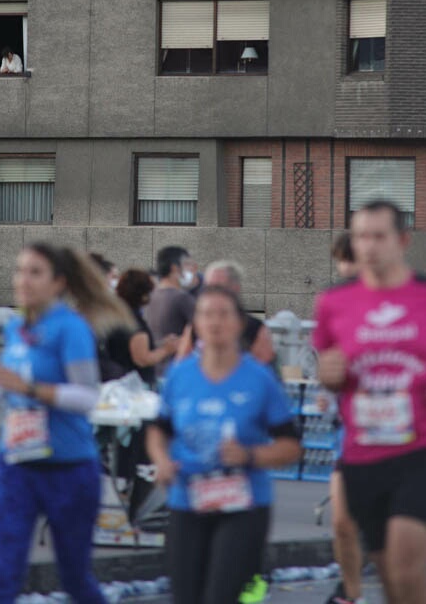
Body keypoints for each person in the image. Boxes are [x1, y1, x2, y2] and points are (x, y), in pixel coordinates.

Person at [0, 243, 132, 604]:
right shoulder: (14, 327)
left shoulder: (71, 329)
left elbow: (88, 397)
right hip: (17, 465)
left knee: (74, 579)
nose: (23, 280)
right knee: (4, 576)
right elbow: (15, 394)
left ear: (58, 283)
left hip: (68, 468)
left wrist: (32, 388)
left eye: (35, 272)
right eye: (19, 270)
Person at [146, 286, 300, 604]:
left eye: (223, 314)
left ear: (239, 323)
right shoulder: (180, 374)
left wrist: (250, 454)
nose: (214, 322)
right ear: (195, 324)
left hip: (242, 505)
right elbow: (159, 430)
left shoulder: (259, 379)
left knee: (221, 595)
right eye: (206, 314)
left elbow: (291, 446)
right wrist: (161, 460)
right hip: (188, 499)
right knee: (186, 595)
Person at [314, 200, 426, 604]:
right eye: (361, 236)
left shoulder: (423, 296)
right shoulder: (333, 303)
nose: (369, 246)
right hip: (362, 453)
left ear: (402, 240)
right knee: (391, 575)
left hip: (417, 450)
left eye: (379, 236)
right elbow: (331, 372)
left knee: (407, 557)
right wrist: (330, 378)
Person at [321, 232, 365, 604]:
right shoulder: (334, 306)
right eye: (342, 260)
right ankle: (349, 593)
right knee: (342, 521)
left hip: (409, 437)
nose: (346, 268)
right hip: (352, 432)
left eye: (352, 259)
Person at [107, 269, 180, 385]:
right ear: (144, 295)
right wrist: (166, 349)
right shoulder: (134, 322)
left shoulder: (117, 316)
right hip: (137, 386)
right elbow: (142, 358)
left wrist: (159, 344)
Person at [204, 260, 275, 365]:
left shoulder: (255, 328)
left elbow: (266, 367)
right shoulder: (196, 325)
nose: (214, 294)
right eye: (209, 288)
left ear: (235, 288)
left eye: (219, 288)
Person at [144, 246, 197, 353]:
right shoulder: (182, 298)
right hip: (179, 365)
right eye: (187, 264)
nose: (192, 269)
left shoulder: (150, 297)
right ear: (174, 268)